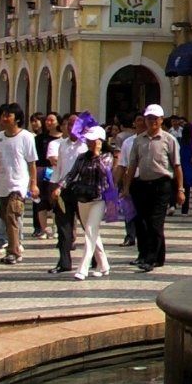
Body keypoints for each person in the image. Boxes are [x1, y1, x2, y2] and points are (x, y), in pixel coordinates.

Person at [123, 104, 184, 271]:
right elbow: (132, 164)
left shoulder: (169, 140)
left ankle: (151, 259)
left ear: (161, 120)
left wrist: (180, 189)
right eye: (149, 118)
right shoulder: (138, 140)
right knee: (144, 222)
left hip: (162, 184)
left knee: (155, 222)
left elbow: (177, 166)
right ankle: (156, 256)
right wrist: (126, 187)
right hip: (143, 184)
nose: (152, 122)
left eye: (155, 119)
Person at [63, 118, 112, 280]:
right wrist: (61, 186)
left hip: (99, 199)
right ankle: (104, 264)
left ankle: (82, 268)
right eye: (89, 140)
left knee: (90, 232)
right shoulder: (82, 157)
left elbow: (105, 172)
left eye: (94, 141)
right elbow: (72, 174)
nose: (90, 144)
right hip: (82, 198)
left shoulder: (107, 156)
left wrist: (97, 155)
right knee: (92, 233)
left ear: (101, 141)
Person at [0, 103, 37, 265]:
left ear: (16, 119)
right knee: (5, 217)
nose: (3, 119)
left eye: (7, 116)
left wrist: (33, 184)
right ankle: (13, 246)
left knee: (12, 215)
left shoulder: (26, 137)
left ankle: (14, 251)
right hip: (3, 183)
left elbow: (32, 163)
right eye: (2, 115)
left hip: (19, 183)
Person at [39, 112, 75, 274]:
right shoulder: (62, 145)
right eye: (69, 124)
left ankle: (95, 259)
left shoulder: (85, 145)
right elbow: (57, 168)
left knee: (88, 227)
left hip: (81, 189)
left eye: (75, 124)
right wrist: (54, 186)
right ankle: (64, 261)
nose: (71, 127)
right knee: (63, 226)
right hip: (62, 189)